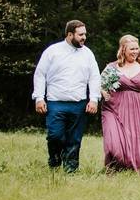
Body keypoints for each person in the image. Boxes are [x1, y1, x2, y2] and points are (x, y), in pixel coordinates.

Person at [32, 19, 101, 173]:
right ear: (70, 34)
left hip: (79, 103)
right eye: (80, 34)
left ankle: (71, 170)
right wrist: (39, 98)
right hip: (55, 102)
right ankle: (54, 161)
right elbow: (40, 75)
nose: (84, 37)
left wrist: (94, 99)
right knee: (55, 136)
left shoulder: (88, 54)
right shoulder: (53, 51)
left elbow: (94, 77)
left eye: (85, 34)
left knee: (74, 139)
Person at [100, 34, 140, 176]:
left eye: (136, 49)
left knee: (138, 144)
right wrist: (103, 92)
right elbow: (100, 84)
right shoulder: (112, 67)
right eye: (131, 49)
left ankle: (132, 171)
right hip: (113, 110)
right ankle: (115, 167)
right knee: (113, 144)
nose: (135, 52)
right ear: (123, 50)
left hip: (138, 111)